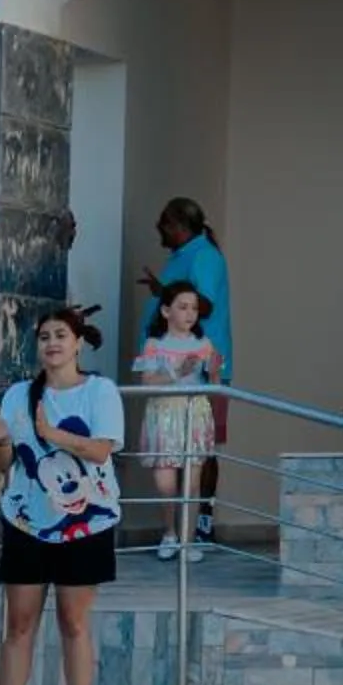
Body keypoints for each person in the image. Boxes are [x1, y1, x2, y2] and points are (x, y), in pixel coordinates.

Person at [0, 306, 124, 685]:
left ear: (78, 343)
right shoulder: (19, 394)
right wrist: (2, 440)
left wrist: (50, 433)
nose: (52, 344)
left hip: (87, 521)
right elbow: (5, 466)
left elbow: (100, 451)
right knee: (18, 624)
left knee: (73, 623)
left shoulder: (100, 392)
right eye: (44, 337)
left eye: (61, 335)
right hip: (26, 520)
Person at [137, 198, 234, 544]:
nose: (158, 229)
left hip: (200, 371)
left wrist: (165, 292)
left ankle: (200, 524)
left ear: (178, 224)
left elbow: (202, 303)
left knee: (201, 450)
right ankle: (174, 532)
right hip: (166, 378)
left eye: (163, 222)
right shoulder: (182, 255)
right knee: (169, 461)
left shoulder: (204, 255)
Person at [130, 283, 220, 560]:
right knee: (165, 482)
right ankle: (169, 532)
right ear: (166, 311)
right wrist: (177, 373)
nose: (190, 313)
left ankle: (188, 540)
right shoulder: (155, 344)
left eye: (194, 308)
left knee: (192, 482)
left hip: (194, 412)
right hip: (164, 412)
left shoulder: (203, 344)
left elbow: (214, 385)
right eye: (183, 307)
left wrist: (214, 373)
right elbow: (146, 382)